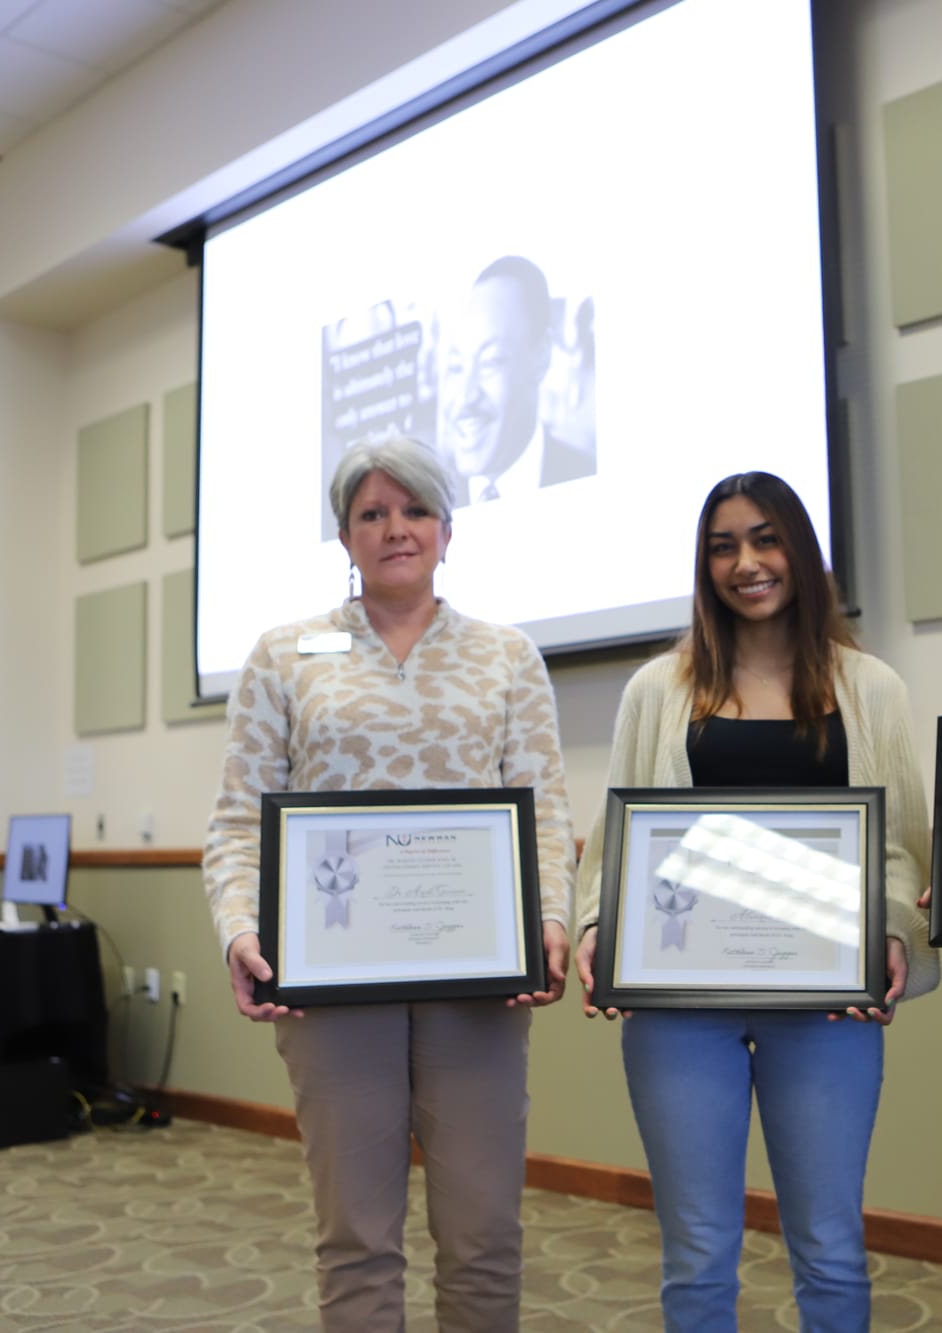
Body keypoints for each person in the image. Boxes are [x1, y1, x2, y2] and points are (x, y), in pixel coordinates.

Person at [201, 436, 576, 1333]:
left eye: (414, 510)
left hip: (481, 982)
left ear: (448, 528)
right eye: (372, 512)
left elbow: (549, 812)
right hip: (334, 984)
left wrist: (549, 919)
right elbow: (237, 821)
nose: (395, 529)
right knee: (357, 1237)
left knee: (484, 1233)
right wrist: (239, 926)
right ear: (346, 534)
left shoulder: (508, 655)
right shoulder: (282, 655)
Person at [572, 471, 938, 1332]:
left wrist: (888, 928)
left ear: (801, 552)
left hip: (822, 1009)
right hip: (680, 1009)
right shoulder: (657, 689)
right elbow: (619, 833)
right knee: (697, 1254)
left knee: (831, 1246)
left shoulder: (870, 686)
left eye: (766, 538)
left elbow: (900, 845)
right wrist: (597, 925)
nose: (746, 562)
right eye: (723, 545)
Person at [439, 255, 595, 504]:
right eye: (456, 368)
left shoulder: (584, 473)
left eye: (490, 362)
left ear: (541, 357)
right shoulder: (426, 505)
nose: (464, 397)